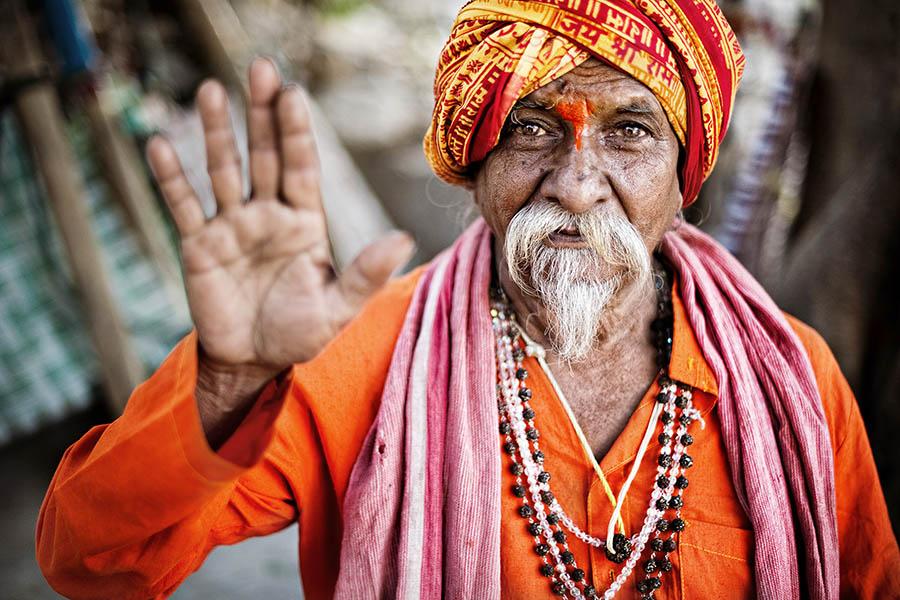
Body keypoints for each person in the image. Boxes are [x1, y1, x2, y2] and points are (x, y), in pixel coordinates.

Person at [37, 1, 900, 598]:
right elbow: (92, 561)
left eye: (630, 132)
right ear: (475, 163)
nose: (576, 183)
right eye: (532, 128)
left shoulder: (791, 380)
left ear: (685, 180)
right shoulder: (354, 359)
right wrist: (231, 377)